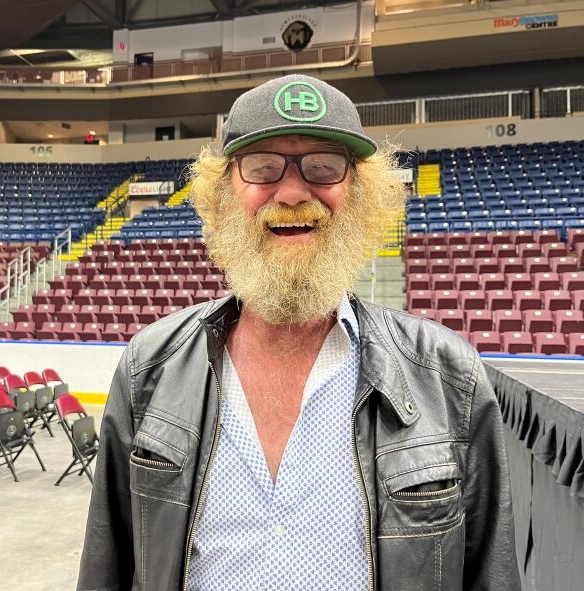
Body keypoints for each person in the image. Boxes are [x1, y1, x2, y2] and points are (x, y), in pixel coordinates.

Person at [77, 74, 519, 591]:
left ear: (361, 194)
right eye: (262, 167)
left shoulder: (450, 379)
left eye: (324, 167)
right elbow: (108, 567)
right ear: (222, 196)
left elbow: (491, 574)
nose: (290, 193)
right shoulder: (149, 368)